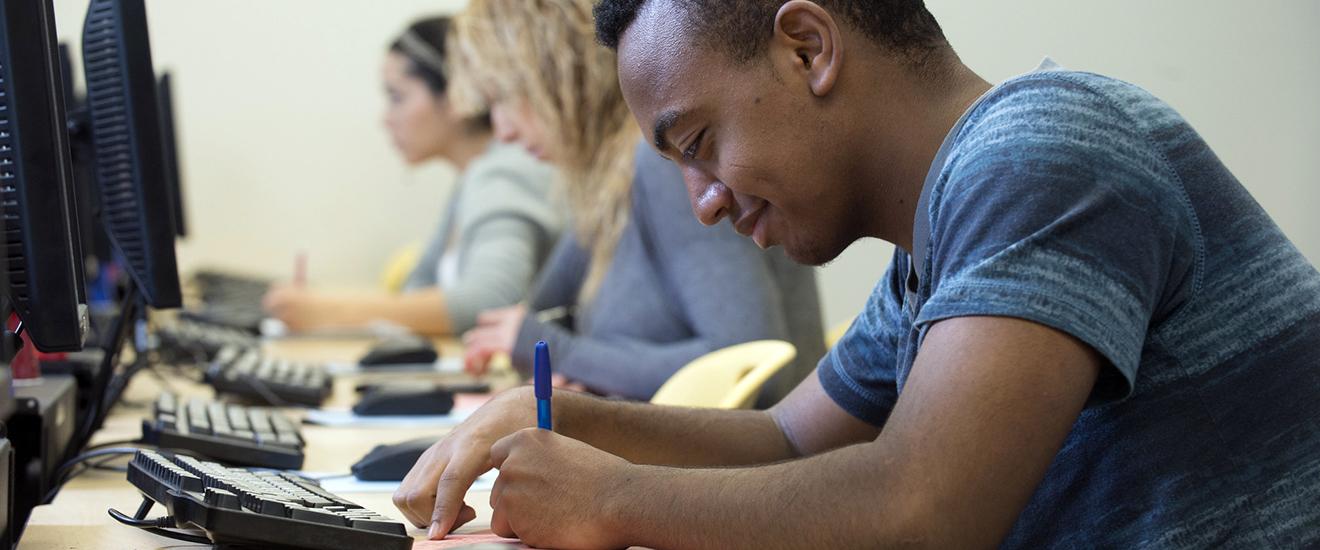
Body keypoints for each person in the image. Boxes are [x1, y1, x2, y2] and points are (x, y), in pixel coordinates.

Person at [397, 0, 1320, 547]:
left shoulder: (1046, 149)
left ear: (808, 47)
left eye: (699, 142)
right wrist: (562, 419)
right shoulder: (931, 248)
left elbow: (923, 511)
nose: (704, 202)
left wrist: (608, 497)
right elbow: (793, 444)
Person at [447, 0, 825, 401]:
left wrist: (562, 355)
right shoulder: (605, 185)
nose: (501, 131)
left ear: (556, 71)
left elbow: (751, 364)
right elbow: (538, 313)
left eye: (501, 97)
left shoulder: (664, 162)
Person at [262, 17, 560, 336]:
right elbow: (417, 288)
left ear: (458, 95)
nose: (386, 119)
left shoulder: (505, 173)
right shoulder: (473, 176)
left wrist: (327, 310)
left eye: (397, 97)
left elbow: (490, 301)